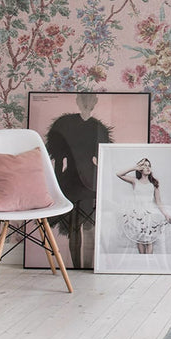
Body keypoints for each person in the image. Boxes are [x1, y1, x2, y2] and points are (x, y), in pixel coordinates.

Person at [45, 93, 112, 268]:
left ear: (95, 102)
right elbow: (58, 159)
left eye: (90, 100)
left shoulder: (98, 128)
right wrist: (57, 185)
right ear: (77, 101)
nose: (86, 103)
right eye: (83, 100)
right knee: (74, 226)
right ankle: (76, 268)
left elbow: (104, 159)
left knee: (89, 224)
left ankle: (89, 267)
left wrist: (104, 181)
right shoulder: (64, 125)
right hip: (71, 180)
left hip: (92, 179)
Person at [116, 158, 171, 254]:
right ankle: (142, 262)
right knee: (139, 240)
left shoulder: (153, 184)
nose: (147, 168)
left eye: (149, 166)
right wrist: (134, 167)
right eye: (145, 166)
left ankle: (149, 264)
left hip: (149, 215)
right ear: (140, 169)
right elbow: (118, 174)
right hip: (137, 215)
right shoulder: (135, 181)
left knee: (149, 241)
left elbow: (158, 202)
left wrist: (166, 214)